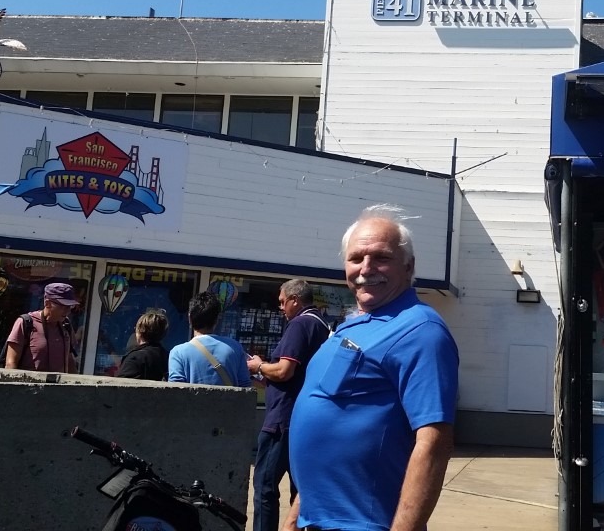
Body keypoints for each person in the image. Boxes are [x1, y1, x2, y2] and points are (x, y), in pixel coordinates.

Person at [284, 204, 459, 531]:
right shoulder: (352, 326)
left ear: (408, 266)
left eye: (381, 257)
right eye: (356, 258)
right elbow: (325, 430)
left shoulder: (421, 330)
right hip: (316, 521)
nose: (366, 268)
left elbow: (434, 443)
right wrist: (293, 519)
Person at [244, 278, 331, 531]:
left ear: (295, 300)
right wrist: (263, 377)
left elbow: (284, 371)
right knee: (301, 490)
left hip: (283, 421)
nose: (280, 308)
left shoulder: (300, 324)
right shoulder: (321, 325)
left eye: (283, 302)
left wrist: (259, 366)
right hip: (305, 419)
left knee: (264, 485)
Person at [167, 290, 250, 387]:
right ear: (217, 319)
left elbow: (175, 389)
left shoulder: (178, 352)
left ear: (189, 318)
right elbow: (245, 386)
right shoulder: (234, 347)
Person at [4, 281, 79, 372]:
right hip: (29, 381)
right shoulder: (26, 323)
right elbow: (11, 363)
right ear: (47, 304)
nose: (68, 311)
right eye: (63, 306)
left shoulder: (66, 325)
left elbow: (69, 361)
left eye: (70, 306)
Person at [116, 308, 170, 381]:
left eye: (136, 329)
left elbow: (122, 385)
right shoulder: (169, 357)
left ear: (140, 332)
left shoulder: (134, 359)